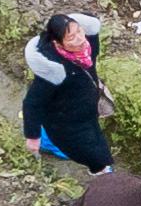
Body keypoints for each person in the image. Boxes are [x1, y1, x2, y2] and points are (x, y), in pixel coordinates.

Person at [21, 12, 108, 173]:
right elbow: (32, 103)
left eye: (79, 32)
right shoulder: (54, 69)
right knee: (93, 151)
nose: (80, 39)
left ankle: (47, 141)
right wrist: (32, 137)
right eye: (71, 38)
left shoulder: (88, 43)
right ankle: (102, 170)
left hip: (80, 99)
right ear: (58, 44)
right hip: (65, 112)